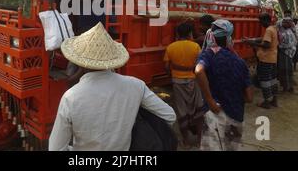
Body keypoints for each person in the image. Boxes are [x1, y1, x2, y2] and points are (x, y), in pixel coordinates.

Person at [48, 22, 176, 151]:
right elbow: (169, 116)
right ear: (112, 60)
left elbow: (56, 148)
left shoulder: (71, 97)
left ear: (80, 63)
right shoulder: (136, 86)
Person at [194, 19, 253, 151]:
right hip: (236, 115)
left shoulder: (209, 54)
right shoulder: (240, 62)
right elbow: (249, 97)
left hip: (215, 115)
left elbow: (199, 70)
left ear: (212, 36)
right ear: (230, 37)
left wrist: (210, 101)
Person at [164, 22, 205, 148]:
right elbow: (200, 65)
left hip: (177, 82)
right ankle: (199, 141)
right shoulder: (196, 47)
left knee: (182, 112)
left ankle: (186, 142)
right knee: (198, 110)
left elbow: (166, 67)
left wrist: (172, 73)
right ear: (190, 33)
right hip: (193, 81)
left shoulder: (170, 47)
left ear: (177, 34)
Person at [243, 13, 278, 109]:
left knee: (265, 81)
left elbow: (267, 45)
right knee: (273, 80)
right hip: (272, 59)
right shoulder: (273, 28)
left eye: (261, 22)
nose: (260, 24)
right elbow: (264, 39)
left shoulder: (268, 30)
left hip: (265, 59)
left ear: (265, 20)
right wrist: (252, 39)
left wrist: (251, 43)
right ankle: (274, 100)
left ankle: (266, 102)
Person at [277, 17, 297, 92]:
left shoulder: (288, 32)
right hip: (286, 53)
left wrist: (280, 46)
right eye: (284, 22)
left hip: (286, 53)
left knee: (285, 70)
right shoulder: (282, 30)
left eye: (287, 23)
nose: (284, 23)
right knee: (284, 70)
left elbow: (290, 43)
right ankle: (287, 86)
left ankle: (288, 87)